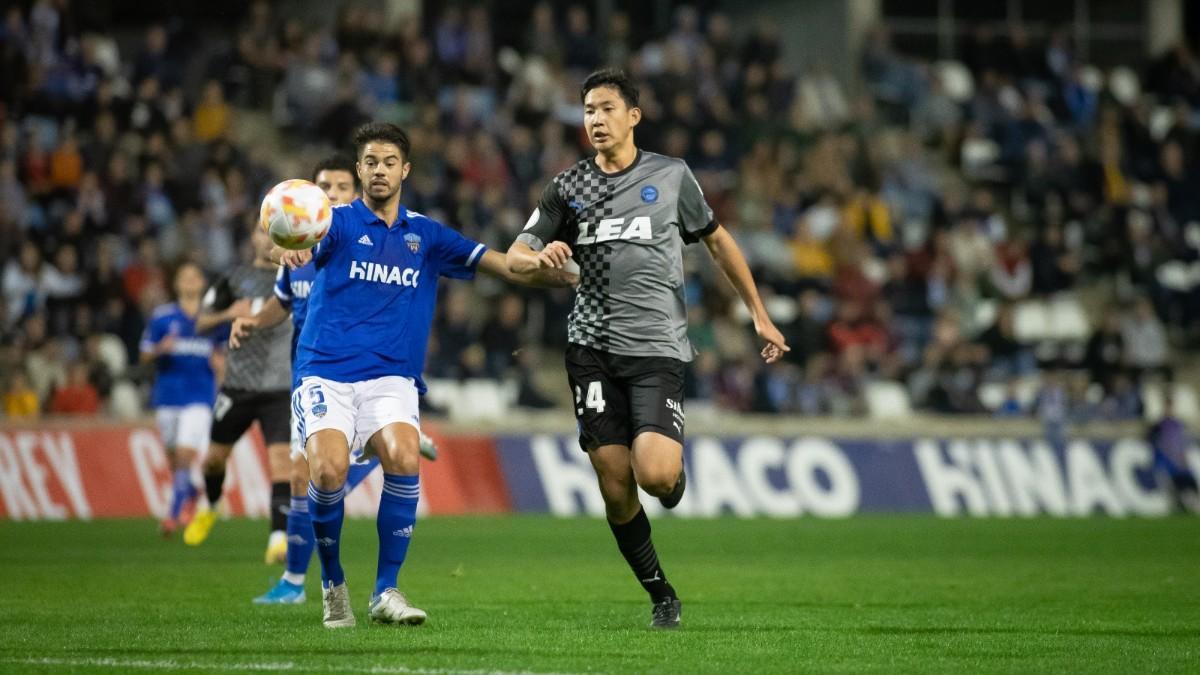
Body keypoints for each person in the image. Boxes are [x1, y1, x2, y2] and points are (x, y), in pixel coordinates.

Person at [505, 68, 788, 629]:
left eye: (607, 108)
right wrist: (543, 265)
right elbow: (515, 256)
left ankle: (672, 475)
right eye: (588, 110)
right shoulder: (567, 188)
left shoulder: (671, 175)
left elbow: (717, 240)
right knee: (615, 485)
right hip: (591, 348)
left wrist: (758, 313)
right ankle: (661, 593)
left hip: (657, 347)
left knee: (655, 476)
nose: (595, 119)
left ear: (633, 115)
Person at [279, 122, 575, 628]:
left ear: (405, 170)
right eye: (370, 162)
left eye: (388, 162)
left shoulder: (427, 235)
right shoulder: (338, 222)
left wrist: (552, 268)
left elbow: (502, 266)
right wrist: (294, 245)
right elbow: (301, 240)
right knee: (326, 473)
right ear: (359, 169)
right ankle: (332, 585)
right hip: (325, 371)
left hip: (392, 376)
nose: (378, 170)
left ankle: (385, 590)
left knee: (404, 454)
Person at [234, 155, 435, 605]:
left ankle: (298, 581)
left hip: (360, 374)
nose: (331, 193)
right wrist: (252, 320)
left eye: (341, 187)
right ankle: (296, 580)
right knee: (303, 477)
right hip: (311, 376)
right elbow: (282, 302)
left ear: (355, 193)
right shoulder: (299, 252)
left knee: (318, 472)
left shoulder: (353, 245)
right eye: (323, 185)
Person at [182, 217, 291, 563]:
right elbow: (199, 323)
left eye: (276, 233)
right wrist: (230, 312)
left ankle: (278, 537)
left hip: (280, 387)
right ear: (253, 238)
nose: (269, 239)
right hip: (237, 386)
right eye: (263, 231)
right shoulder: (232, 279)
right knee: (213, 461)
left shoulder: (295, 274)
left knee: (281, 464)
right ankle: (212, 504)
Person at [139, 262, 221, 536]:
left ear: (201, 284)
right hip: (168, 395)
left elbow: (222, 356)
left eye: (194, 277)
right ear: (177, 284)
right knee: (174, 458)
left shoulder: (211, 319)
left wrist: (221, 374)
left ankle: (172, 516)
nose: (189, 282)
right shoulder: (163, 317)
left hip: (199, 396)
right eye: (184, 277)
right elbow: (144, 353)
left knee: (186, 454)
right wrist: (162, 348)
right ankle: (193, 492)